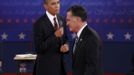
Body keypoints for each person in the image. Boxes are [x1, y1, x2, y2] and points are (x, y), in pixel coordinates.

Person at [33, 0, 69, 75]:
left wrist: (66, 45)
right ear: (45, 6)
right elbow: (39, 48)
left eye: (58, 2)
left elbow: (65, 38)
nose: (57, 6)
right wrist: (55, 36)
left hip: (61, 68)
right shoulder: (39, 24)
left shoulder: (61, 19)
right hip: (46, 69)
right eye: (53, 4)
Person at [66, 5, 103, 75]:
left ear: (78, 19)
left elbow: (92, 67)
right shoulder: (79, 36)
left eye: (68, 20)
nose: (67, 23)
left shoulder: (91, 37)